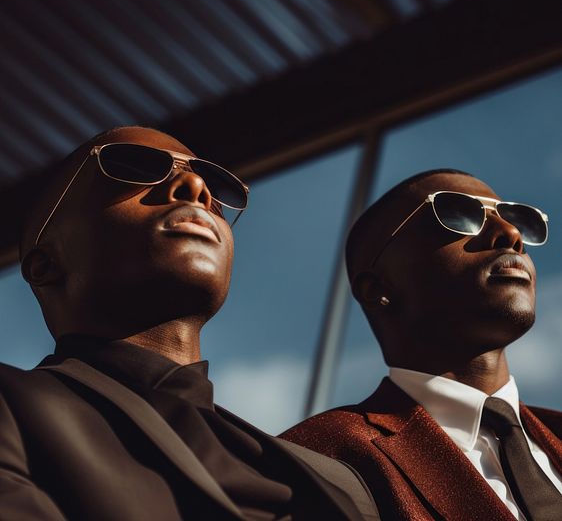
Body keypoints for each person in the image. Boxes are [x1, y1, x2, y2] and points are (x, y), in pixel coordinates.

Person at [1, 125, 378, 521]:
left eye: (215, 186)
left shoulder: (343, 484)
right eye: (133, 166)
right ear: (45, 264)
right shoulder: (13, 409)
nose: (196, 186)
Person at [282, 168, 562, 521]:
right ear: (377, 288)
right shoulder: (319, 455)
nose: (509, 234)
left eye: (515, 220)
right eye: (459, 215)